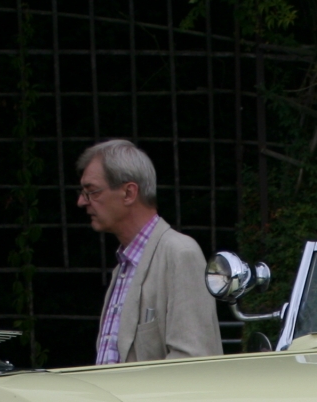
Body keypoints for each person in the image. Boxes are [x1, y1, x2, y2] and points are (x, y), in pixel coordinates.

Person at [76, 138, 221, 363]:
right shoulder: (124, 265)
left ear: (129, 193)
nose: (81, 202)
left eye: (92, 192)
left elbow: (194, 363)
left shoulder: (180, 254)